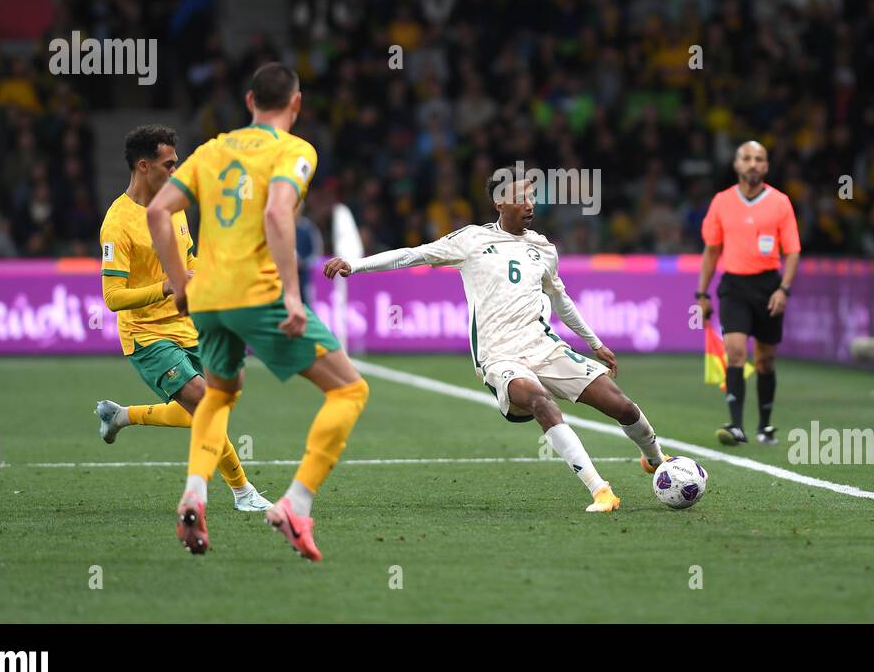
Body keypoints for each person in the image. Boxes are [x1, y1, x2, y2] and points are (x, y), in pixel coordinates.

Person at [322, 167, 669, 513]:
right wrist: (356, 264)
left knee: (622, 406)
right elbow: (414, 254)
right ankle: (600, 490)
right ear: (500, 203)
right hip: (500, 357)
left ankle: (656, 459)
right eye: (521, 198)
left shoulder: (544, 249)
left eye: (533, 197)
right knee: (540, 402)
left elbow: (561, 299)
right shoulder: (471, 240)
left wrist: (594, 342)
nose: (530, 204)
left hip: (544, 347)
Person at [147, 64, 368, 561]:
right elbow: (275, 212)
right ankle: (295, 504)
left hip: (208, 299)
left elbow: (157, 211)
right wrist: (293, 295)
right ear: (296, 104)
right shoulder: (294, 150)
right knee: (349, 389)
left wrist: (180, 284)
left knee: (220, 393)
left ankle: (195, 493)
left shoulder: (211, 150)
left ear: (249, 102)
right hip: (258, 295)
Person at [95, 124, 270, 513]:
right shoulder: (118, 223)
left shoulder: (173, 208)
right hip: (146, 335)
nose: (176, 172)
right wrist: (166, 288)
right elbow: (112, 298)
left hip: (186, 325)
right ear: (144, 166)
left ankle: (120, 416)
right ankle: (244, 493)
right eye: (169, 165)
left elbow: (189, 262)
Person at [695, 141, 800, 446]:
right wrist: (701, 293)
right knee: (736, 351)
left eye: (759, 159)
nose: (753, 164)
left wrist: (784, 289)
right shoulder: (721, 202)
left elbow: (792, 252)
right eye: (747, 158)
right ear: (737, 165)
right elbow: (711, 250)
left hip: (769, 286)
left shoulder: (780, 202)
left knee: (766, 360)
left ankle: (765, 427)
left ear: (766, 166)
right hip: (734, 287)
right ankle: (736, 425)